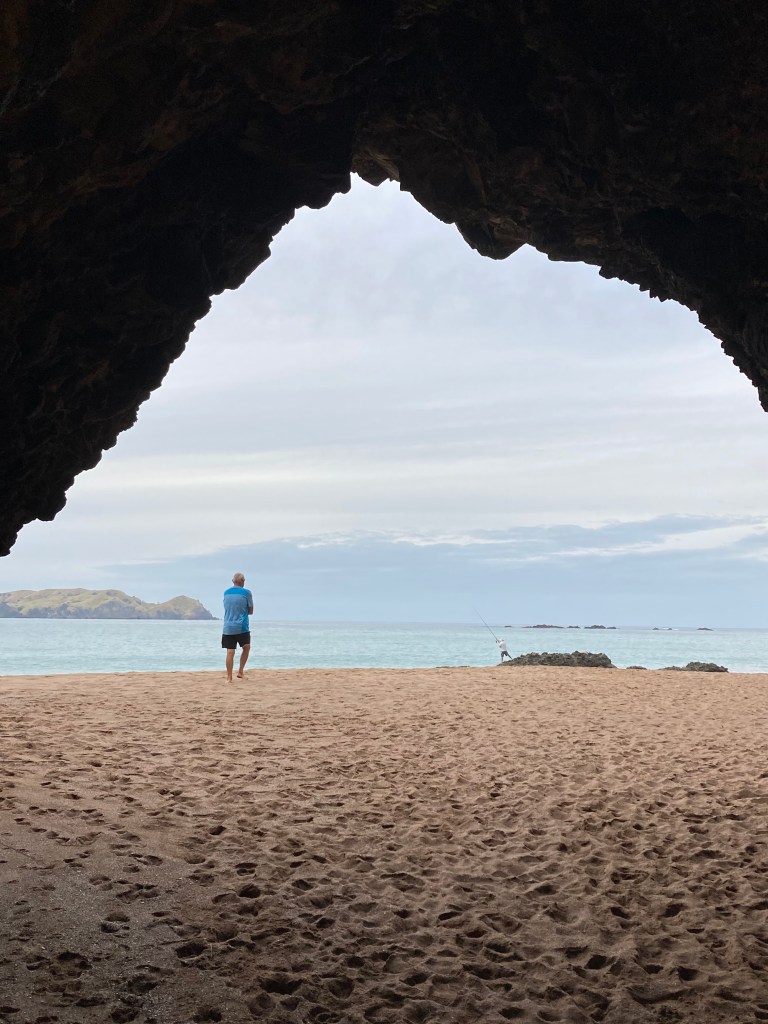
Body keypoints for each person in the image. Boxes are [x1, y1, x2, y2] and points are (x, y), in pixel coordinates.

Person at [222, 572, 253, 681]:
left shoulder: (226, 592)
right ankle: (240, 672)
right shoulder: (247, 593)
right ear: (243, 581)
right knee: (246, 647)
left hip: (228, 626)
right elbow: (251, 611)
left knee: (230, 652)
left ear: (232, 581)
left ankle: (229, 677)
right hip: (241, 626)